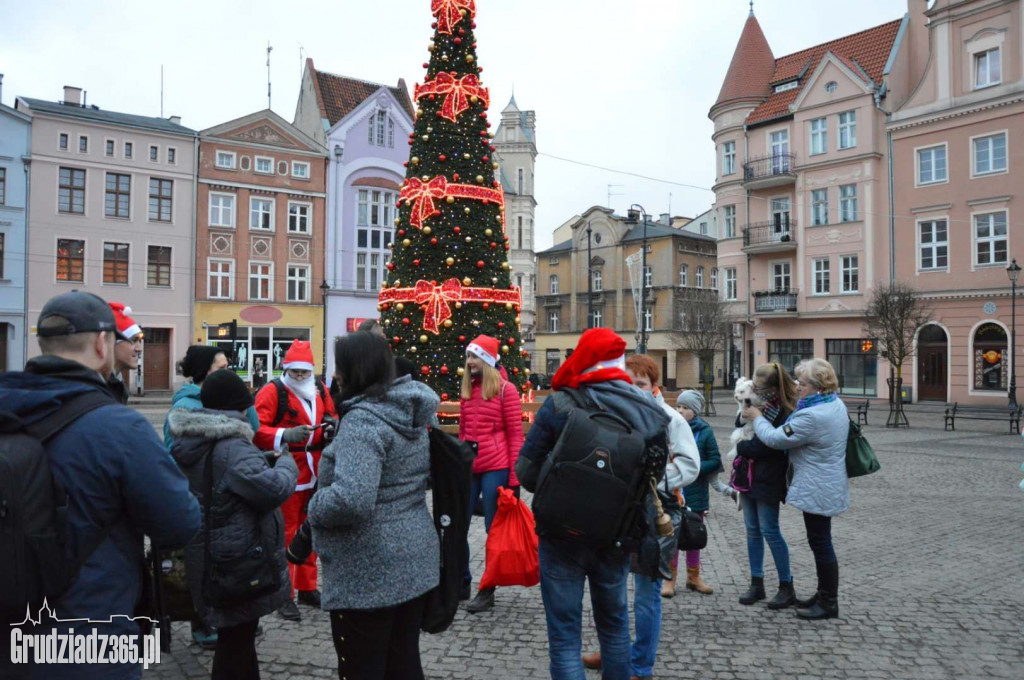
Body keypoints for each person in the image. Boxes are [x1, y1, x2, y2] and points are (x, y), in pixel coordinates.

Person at [0, 291, 200, 680]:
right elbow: (181, 522)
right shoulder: (117, 427)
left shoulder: (8, 406)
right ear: (102, 343)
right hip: (88, 638)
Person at [516, 328, 670, 680]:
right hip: (615, 536)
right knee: (615, 628)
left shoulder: (560, 403)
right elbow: (654, 476)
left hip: (560, 532)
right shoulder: (646, 411)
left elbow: (525, 470)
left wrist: (559, 488)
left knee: (565, 635)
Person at [307, 332, 439, 680]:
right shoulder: (410, 410)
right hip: (413, 558)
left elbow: (352, 500)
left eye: (340, 367)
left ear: (355, 370)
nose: (335, 376)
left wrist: (315, 505)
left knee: (364, 666)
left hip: (368, 570)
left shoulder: (364, 421)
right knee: (403, 661)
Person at [168, 369, 298, 680]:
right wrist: (285, 463)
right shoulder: (233, 446)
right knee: (236, 641)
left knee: (236, 639)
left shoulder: (195, 440)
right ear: (238, 407)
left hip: (211, 554)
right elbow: (273, 489)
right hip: (239, 562)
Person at [581, 354, 699, 680]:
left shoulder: (670, 418)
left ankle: (641, 666)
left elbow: (690, 465)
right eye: (628, 383)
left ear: (654, 386)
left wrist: (651, 480)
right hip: (620, 510)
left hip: (657, 511)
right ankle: (612, 651)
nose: (634, 389)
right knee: (613, 587)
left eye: (641, 384)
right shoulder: (618, 415)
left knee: (646, 595)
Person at [162, 345, 262, 648]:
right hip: (198, 494)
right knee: (199, 562)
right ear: (204, 372)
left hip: (224, 495)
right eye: (221, 368)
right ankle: (203, 623)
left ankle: (222, 617)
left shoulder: (223, 397)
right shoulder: (186, 407)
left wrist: (244, 402)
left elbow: (252, 428)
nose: (228, 371)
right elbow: (175, 455)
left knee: (222, 561)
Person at [743, 358, 850, 620]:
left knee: (821, 543)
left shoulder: (811, 416)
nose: (798, 387)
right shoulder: (833, 404)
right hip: (826, 482)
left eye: (802, 383)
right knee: (820, 541)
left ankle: (828, 602)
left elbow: (775, 439)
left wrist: (757, 418)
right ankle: (823, 594)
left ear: (817, 386)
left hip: (818, 486)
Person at [253, 339, 338, 621]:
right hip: (287, 468)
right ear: (286, 369)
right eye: (295, 372)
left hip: (315, 468)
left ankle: (307, 586)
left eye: (304, 372)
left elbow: (331, 414)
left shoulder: (320, 390)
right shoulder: (272, 391)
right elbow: (255, 426)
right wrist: (283, 436)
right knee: (286, 532)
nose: (300, 377)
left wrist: (330, 427)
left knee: (310, 529)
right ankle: (284, 593)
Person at [459, 334, 524, 613]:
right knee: (458, 524)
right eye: (468, 357)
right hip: (470, 466)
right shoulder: (467, 389)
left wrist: (514, 479)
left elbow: (515, 435)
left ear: (486, 360)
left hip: (496, 466)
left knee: (492, 530)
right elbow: (463, 432)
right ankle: (462, 582)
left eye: (474, 357)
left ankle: (487, 590)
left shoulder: (506, 390)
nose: (469, 362)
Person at [733, 362, 798, 609]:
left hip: (769, 477)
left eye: (760, 388)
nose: (756, 391)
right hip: (747, 475)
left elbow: (769, 445)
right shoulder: (755, 403)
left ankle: (786, 585)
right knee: (752, 529)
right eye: (754, 386)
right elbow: (740, 425)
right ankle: (756, 582)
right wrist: (744, 412)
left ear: (772, 388)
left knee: (770, 530)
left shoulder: (784, 410)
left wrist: (742, 447)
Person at [108, 302, 143, 403]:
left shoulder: (116, 385)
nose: (139, 349)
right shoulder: (95, 390)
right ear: (111, 342)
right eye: (133, 340)